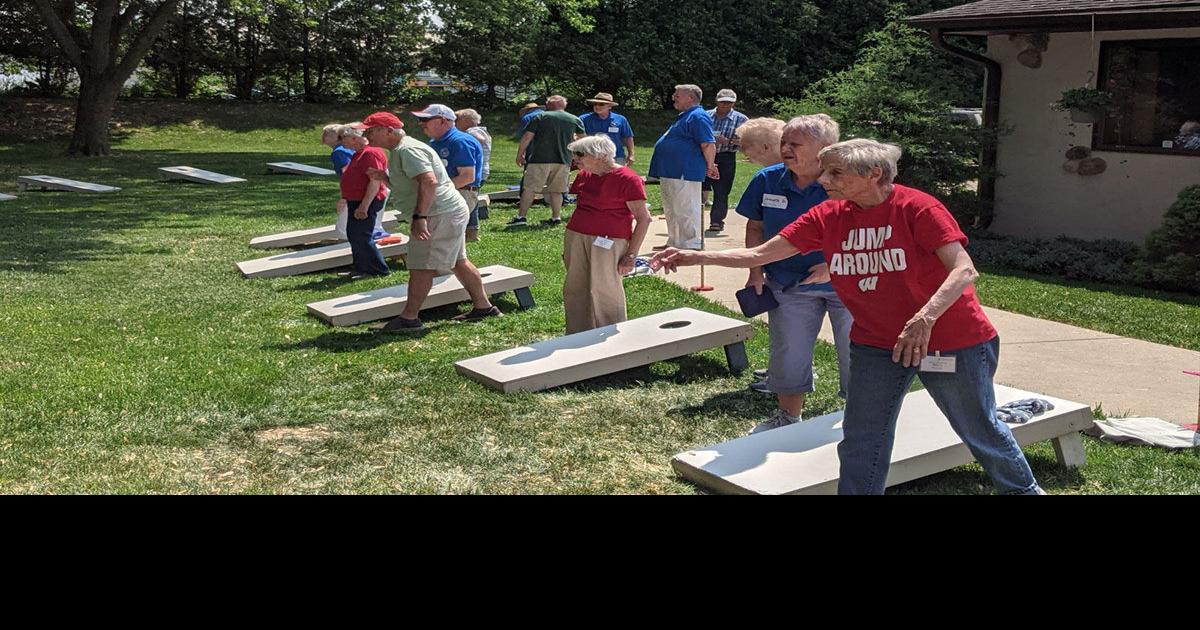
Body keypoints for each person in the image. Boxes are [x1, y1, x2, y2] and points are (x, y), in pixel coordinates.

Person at [652, 138, 1044, 495]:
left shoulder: (918, 207)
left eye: (835, 172)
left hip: (950, 339)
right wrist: (696, 254)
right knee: (862, 435)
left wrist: (923, 318)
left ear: (874, 174)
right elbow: (761, 254)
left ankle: (1024, 492)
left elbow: (964, 270)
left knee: (977, 428)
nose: (824, 179)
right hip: (877, 342)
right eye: (825, 170)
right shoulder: (829, 215)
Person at [735, 115, 852, 435]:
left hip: (848, 284)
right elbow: (755, 227)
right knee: (789, 348)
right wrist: (754, 271)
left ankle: (860, 413)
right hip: (786, 281)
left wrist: (833, 263)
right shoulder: (767, 180)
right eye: (783, 141)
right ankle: (788, 417)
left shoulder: (848, 181)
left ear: (824, 149)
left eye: (794, 144)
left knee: (856, 348)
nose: (784, 148)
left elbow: (866, 230)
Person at [357, 112, 500, 330]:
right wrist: (385, 178)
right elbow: (416, 181)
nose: (367, 135)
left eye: (371, 130)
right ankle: (484, 307)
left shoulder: (408, 150)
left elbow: (429, 182)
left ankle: (409, 318)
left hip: (437, 214)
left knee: (421, 266)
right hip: (446, 211)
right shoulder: (400, 149)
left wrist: (419, 217)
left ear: (388, 131)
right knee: (458, 262)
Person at [562, 135, 652, 333]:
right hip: (577, 235)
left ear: (600, 155)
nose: (575, 159)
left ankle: (609, 335)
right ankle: (577, 333)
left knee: (605, 289)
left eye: (580, 154)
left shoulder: (629, 179)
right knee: (575, 287)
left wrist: (631, 255)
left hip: (610, 239)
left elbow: (644, 219)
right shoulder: (585, 174)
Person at [647, 84, 718, 250]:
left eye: (677, 95)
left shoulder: (698, 116)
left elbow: (708, 143)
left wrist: (710, 166)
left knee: (686, 208)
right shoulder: (684, 116)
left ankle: (692, 243)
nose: (673, 97)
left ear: (690, 98)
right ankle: (674, 242)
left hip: (684, 171)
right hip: (670, 171)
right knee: (672, 209)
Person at [412, 104, 485, 244]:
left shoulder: (460, 141)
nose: (421, 123)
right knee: (439, 239)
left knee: (445, 240)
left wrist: (438, 191)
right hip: (446, 191)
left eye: (425, 119)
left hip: (461, 192)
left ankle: (451, 264)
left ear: (443, 120)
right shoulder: (435, 142)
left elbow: (467, 177)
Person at [512, 95, 585, 226]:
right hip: (563, 160)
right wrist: (581, 157)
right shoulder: (575, 119)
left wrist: (520, 154)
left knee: (529, 189)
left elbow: (527, 137)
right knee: (557, 190)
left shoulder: (540, 117)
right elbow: (583, 140)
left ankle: (521, 217)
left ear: (549, 105)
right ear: (563, 105)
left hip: (539, 159)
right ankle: (556, 217)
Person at [336, 123, 390, 278]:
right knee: (354, 234)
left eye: (342, 137)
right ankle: (361, 267)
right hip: (356, 200)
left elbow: (375, 182)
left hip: (366, 201)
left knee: (362, 235)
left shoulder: (370, 153)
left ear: (354, 138)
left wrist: (364, 206)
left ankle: (377, 269)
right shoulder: (359, 153)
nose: (341, 141)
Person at [701, 89, 748, 233]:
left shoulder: (741, 119)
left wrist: (728, 141)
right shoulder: (705, 115)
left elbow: (746, 142)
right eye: (723, 102)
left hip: (726, 156)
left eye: (729, 102)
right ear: (717, 101)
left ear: (734, 103)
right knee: (698, 188)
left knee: (722, 191)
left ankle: (716, 221)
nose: (725, 105)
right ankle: (694, 221)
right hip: (703, 156)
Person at [456, 108, 494, 231]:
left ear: (466, 121)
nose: (455, 123)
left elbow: (480, 139)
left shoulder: (473, 131)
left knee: (467, 199)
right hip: (481, 172)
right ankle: (472, 227)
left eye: (457, 120)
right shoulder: (481, 130)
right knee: (471, 199)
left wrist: (465, 137)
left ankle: (470, 228)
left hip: (477, 172)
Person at [579, 92, 636, 166]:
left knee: (615, 177)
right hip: (592, 156)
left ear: (610, 106)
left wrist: (631, 154)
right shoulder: (584, 119)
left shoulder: (620, 119)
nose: (597, 106)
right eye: (595, 104)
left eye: (601, 104)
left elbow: (628, 137)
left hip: (616, 156)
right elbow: (577, 137)